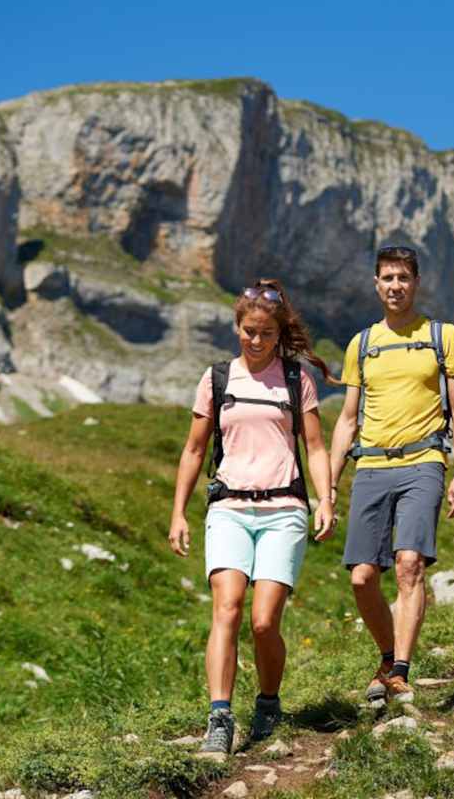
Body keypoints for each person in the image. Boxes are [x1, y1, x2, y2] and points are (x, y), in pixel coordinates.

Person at [169, 278, 336, 760]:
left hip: (284, 509)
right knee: (227, 606)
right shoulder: (217, 379)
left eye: (265, 333)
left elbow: (317, 447)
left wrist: (326, 499)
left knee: (264, 622)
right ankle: (219, 718)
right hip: (228, 509)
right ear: (237, 327)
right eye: (247, 331)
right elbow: (195, 449)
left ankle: (268, 703)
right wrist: (178, 511)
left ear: (278, 332)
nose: (255, 341)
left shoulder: (295, 380)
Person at [329, 245, 454, 702]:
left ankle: (401, 673)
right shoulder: (362, 344)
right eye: (387, 278)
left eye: (403, 278)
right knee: (362, 577)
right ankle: (388, 655)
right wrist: (328, 487)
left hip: (423, 462)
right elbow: (348, 418)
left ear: (416, 283)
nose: (395, 286)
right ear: (376, 284)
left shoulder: (441, 335)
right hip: (371, 464)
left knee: (410, 565)